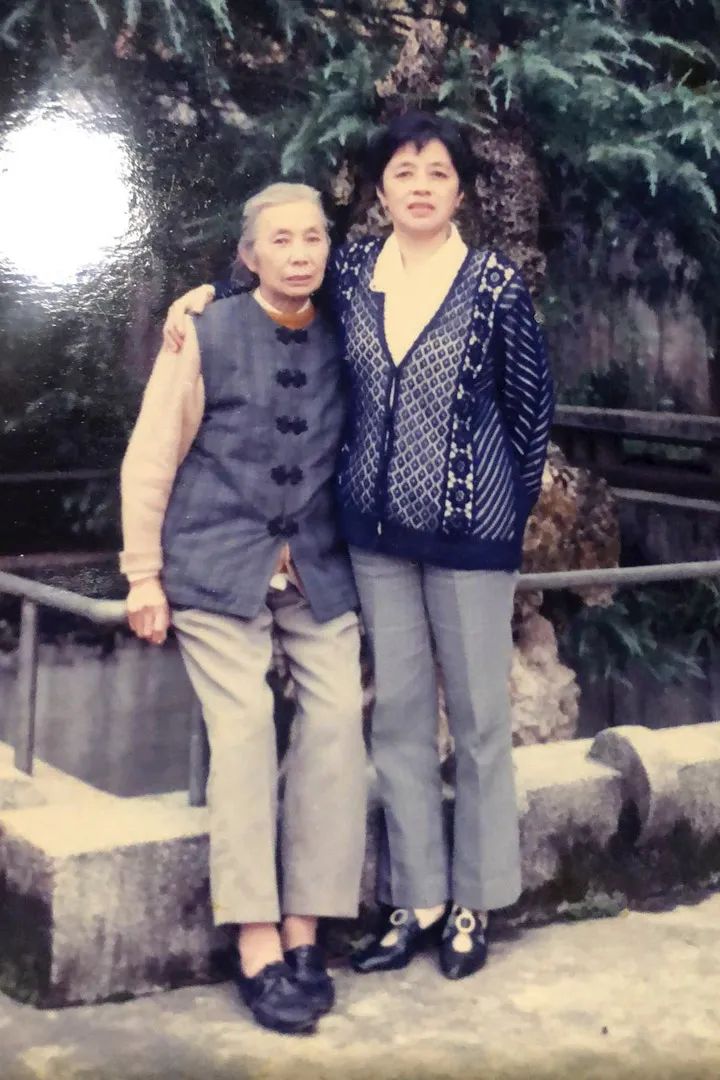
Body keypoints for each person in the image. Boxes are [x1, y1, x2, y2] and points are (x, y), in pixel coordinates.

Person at [163, 111, 554, 981]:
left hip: (471, 540)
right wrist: (203, 297)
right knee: (400, 718)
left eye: (439, 173)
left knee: (480, 722)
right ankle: (416, 899)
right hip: (373, 537)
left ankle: (475, 900)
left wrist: (496, 509)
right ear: (381, 189)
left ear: (461, 191)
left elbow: (530, 413)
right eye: (404, 172)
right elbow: (279, 288)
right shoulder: (351, 271)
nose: (421, 187)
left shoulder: (493, 285)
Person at [120, 182, 367, 1034]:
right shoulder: (205, 331)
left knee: (337, 724)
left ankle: (306, 927)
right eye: (280, 240)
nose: (299, 253)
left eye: (313, 238)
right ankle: (256, 940)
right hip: (216, 564)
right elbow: (152, 454)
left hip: (317, 569)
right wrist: (142, 574)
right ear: (248, 255)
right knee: (247, 729)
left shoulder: (349, 330)